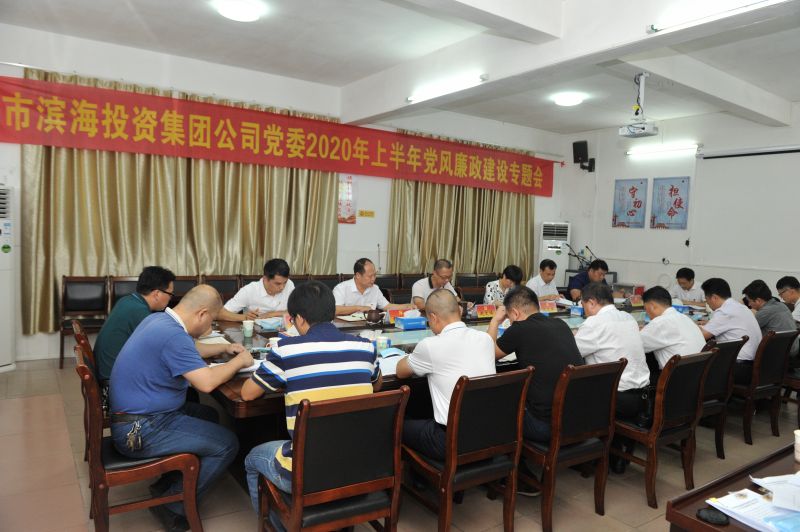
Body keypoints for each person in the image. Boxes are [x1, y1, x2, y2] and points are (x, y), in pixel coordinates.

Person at [109, 285, 253, 531]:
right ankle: (172, 505)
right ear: (202, 314)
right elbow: (206, 383)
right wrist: (240, 361)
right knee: (228, 444)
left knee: (208, 414)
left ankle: (169, 482)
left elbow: (191, 349)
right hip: (138, 430)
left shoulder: (159, 320)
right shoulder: (173, 336)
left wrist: (223, 348)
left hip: (136, 415)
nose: (209, 328)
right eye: (210, 321)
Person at [240, 281, 380, 519]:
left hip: (308, 473)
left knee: (252, 458)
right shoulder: (366, 347)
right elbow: (376, 384)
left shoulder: (286, 350)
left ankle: (278, 524)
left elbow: (247, 393)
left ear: (299, 319)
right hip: (362, 466)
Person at [396, 289, 495, 460]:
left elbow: (401, 371)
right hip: (489, 435)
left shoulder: (430, 345)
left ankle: (415, 475)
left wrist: (411, 355)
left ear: (433, 317)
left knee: (396, 423)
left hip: (450, 441)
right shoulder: (485, 339)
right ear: (460, 311)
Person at [488, 286, 583, 443]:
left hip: (547, 426)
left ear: (515, 313)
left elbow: (489, 354)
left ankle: (508, 456)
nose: (510, 322)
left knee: (496, 407)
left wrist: (495, 321)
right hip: (579, 421)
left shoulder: (519, 329)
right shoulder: (560, 324)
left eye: (509, 318)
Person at [574, 282, 650, 474]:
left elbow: (572, 352)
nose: (583, 309)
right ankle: (615, 452)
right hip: (642, 397)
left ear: (591, 302)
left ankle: (583, 454)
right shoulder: (628, 318)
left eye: (583, 304)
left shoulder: (594, 323)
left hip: (615, 399)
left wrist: (574, 335)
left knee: (568, 390)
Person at [95, 266, 176, 382]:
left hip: (108, 373)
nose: (170, 298)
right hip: (114, 382)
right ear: (157, 294)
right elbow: (168, 347)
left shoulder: (127, 300)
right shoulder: (139, 312)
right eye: (170, 294)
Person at [699, 278, 762, 385]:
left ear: (714, 297)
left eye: (706, 300)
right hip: (752, 365)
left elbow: (701, 335)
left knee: (693, 367)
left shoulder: (725, 312)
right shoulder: (740, 307)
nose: (707, 303)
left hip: (738, 368)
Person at [639, 286, 706, 381]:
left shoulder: (660, 323)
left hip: (676, 380)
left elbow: (636, 345)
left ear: (652, 306)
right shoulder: (685, 318)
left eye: (645, 309)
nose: (647, 314)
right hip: (698, 376)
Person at [217, 258, 294, 321]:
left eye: (285, 282)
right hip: (257, 333)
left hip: (286, 331)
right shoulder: (249, 290)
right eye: (277, 284)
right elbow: (220, 314)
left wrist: (271, 314)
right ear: (265, 279)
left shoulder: (289, 284)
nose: (282, 287)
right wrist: (244, 317)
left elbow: (297, 310)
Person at [332, 257, 412, 315]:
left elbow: (387, 306)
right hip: (347, 328)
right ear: (358, 275)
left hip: (369, 327)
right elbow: (335, 310)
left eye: (375, 275)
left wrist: (407, 306)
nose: (373, 279)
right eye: (370, 276)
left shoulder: (375, 288)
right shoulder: (341, 288)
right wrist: (359, 308)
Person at [742, 280, 799, 356]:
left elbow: (744, 331)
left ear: (758, 300)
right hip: (793, 349)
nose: (749, 304)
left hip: (780, 355)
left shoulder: (765, 312)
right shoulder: (781, 305)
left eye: (749, 301)